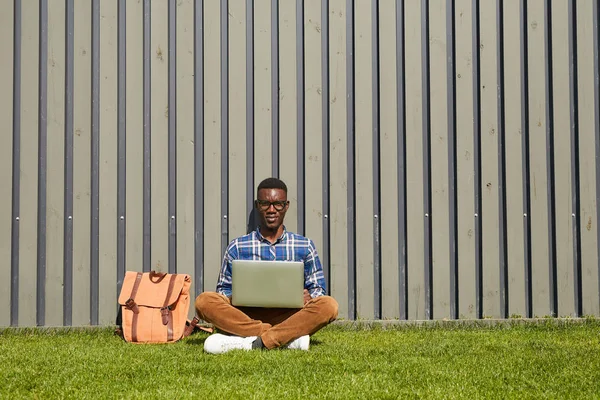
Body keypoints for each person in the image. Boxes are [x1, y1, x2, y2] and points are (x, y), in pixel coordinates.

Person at [196, 177, 338, 354]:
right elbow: (222, 290)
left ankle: (253, 341)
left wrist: (308, 297)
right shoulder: (238, 246)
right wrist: (236, 296)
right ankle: (282, 337)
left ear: (286, 206)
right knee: (204, 301)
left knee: (329, 305)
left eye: (278, 204)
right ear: (257, 205)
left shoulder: (305, 245)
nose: (272, 210)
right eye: (265, 204)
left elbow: (318, 291)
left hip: (290, 315)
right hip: (246, 315)